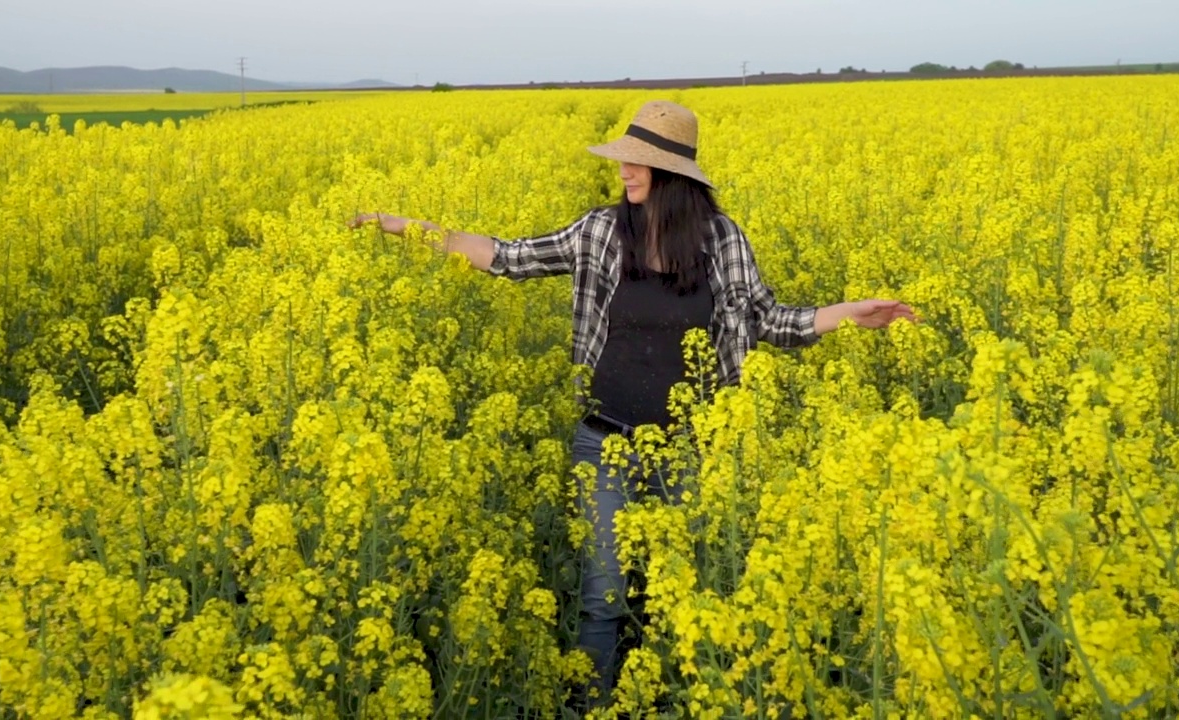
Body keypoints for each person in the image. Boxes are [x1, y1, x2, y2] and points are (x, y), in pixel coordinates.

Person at [349, 100, 917, 701]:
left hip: (692, 447)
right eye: (623, 161)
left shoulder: (721, 240)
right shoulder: (599, 231)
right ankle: (592, 704)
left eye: (636, 163)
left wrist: (849, 316)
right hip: (605, 438)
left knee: (680, 590)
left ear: (672, 177)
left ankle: (666, 694)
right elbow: (506, 257)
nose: (623, 172)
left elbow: (769, 321)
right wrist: (404, 226)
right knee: (604, 595)